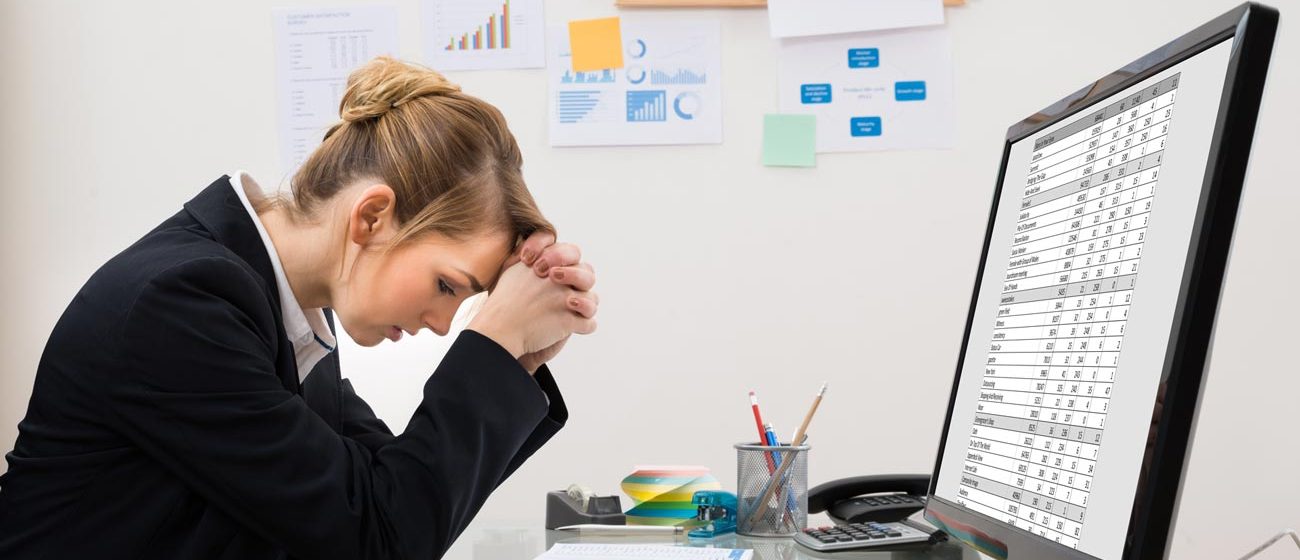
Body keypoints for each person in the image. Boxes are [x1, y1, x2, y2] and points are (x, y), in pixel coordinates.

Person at [0, 56, 598, 559]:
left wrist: (515, 359)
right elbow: (380, 538)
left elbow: (395, 496)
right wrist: (491, 346)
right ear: (371, 216)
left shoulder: (283, 310)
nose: (443, 325)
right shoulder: (182, 305)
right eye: (448, 286)